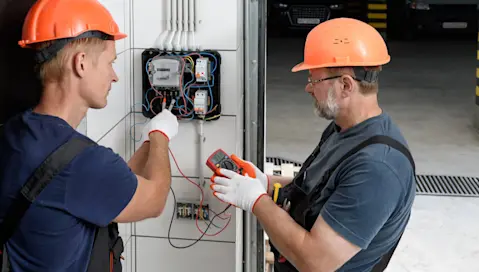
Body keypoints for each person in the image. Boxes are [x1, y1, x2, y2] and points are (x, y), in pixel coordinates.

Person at [210, 17, 416, 272]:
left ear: (345, 85)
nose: (308, 88)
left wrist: (256, 201)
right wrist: (266, 183)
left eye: (314, 79)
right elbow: (319, 188)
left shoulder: (377, 168)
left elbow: (316, 262)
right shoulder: (344, 130)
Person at [0, 0, 179, 271]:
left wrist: (147, 142)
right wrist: (160, 136)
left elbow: (106, 190)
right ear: (81, 63)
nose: (114, 76)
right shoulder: (84, 163)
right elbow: (154, 200)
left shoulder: (14, 132)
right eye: (110, 62)